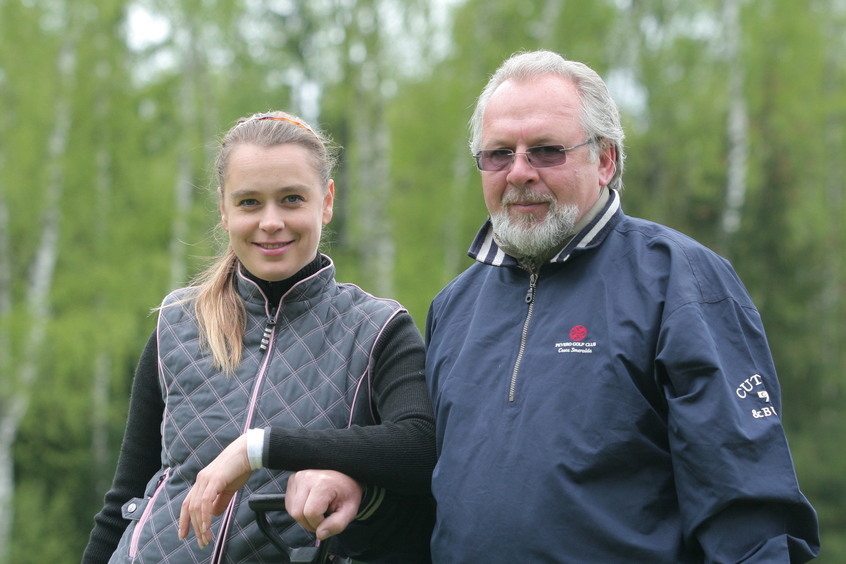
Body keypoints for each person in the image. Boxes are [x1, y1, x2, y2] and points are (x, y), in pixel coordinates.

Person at [424, 50, 820, 563]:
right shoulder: (452, 307)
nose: (518, 172)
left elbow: (747, 512)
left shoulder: (680, 282)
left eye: (545, 150)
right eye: (499, 153)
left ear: (605, 159)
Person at [83, 111, 435, 563]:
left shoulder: (378, 329)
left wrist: (259, 447)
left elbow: (422, 447)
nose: (271, 222)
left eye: (291, 199)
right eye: (249, 202)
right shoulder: (177, 321)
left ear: (326, 201)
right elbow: (125, 499)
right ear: (224, 210)